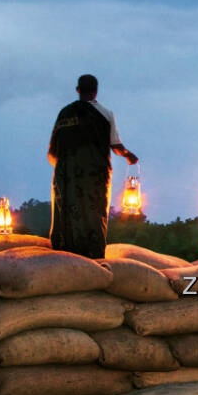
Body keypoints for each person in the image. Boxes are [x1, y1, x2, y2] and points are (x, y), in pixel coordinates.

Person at [47, 74, 137, 258]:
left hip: (67, 175)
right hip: (95, 176)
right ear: (96, 91)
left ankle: (64, 255)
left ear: (78, 90)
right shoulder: (105, 114)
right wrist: (128, 155)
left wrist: (66, 166)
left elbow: (53, 150)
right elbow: (116, 145)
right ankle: (93, 256)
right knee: (94, 213)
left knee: (66, 212)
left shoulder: (65, 113)